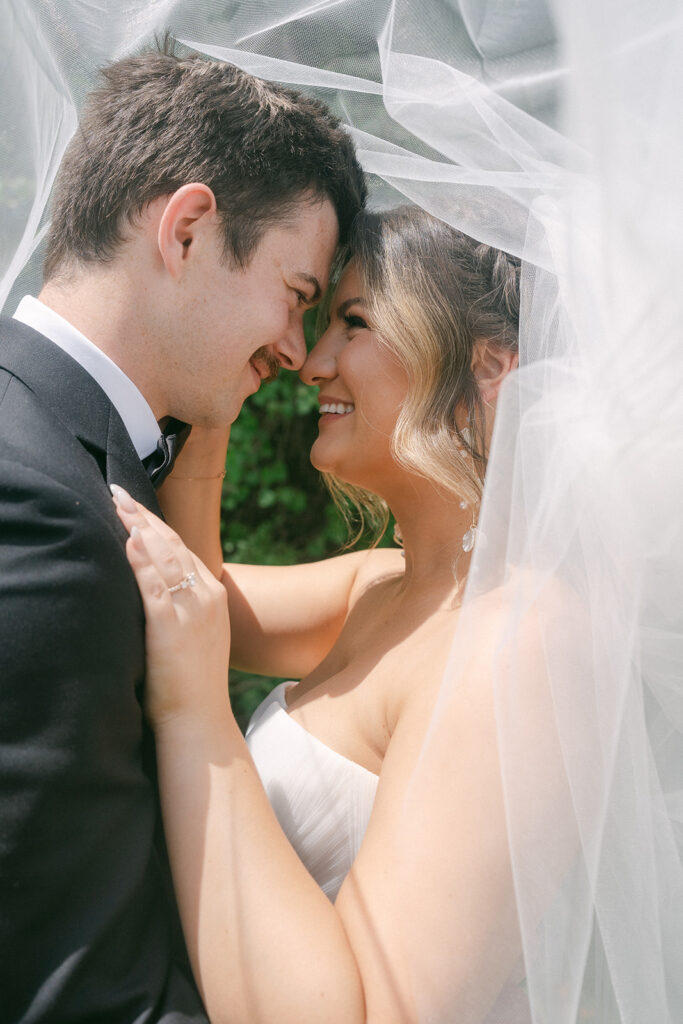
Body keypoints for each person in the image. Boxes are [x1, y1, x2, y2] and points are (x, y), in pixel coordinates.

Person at [0, 39, 366, 1023]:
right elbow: (71, 988)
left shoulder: (69, 455)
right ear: (189, 229)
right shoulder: (35, 503)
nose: (295, 353)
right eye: (296, 297)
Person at [111, 207, 536, 1023]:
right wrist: (210, 399)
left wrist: (196, 712)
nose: (311, 363)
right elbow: (200, 604)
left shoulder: (510, 645)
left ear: (487, 368)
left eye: (355, 321)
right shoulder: (382, 588)